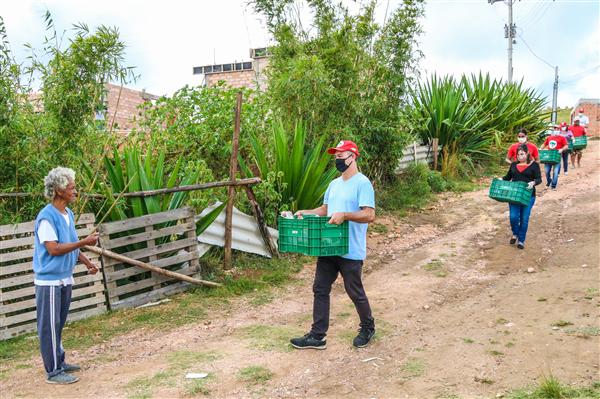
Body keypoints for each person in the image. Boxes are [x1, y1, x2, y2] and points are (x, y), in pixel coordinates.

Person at [288, 140, 376, 350]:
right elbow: (325, 209)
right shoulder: (334, 184)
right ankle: (317, 336)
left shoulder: (362, 183)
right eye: (335, 156)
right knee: (320, 288)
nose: (337, 160)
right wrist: (306, 212)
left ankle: (368, 327)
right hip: (328, 246)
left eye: (341, 156)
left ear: (352, 157)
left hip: (350, 248)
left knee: (354, 291)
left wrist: (345, 215)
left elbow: (370, 214)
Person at [33, 167, 99, 384]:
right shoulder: (46, 217)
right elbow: (54, 249)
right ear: (59, 190)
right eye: (71, 187)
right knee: (49, 326)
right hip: (50, 280)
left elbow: (71, 245)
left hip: (64, 277)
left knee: (58, 324)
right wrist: (84, 241)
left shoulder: (67, 214)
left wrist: (87, 262)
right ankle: (53, 372)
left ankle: (59, 362)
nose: (75, 191)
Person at [502, 144, 542, 249]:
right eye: (518, 154)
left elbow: (539, 179)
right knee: (513, 217)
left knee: (524, 219)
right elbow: (508, 177)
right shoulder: (514, 165)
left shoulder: (534, 165)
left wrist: (533, 183)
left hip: (528, 196)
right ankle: (515, 233)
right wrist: (500, 180)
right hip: (514, 196)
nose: (519, 156)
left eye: (522, 154)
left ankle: (521, 240)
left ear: (527, 153)